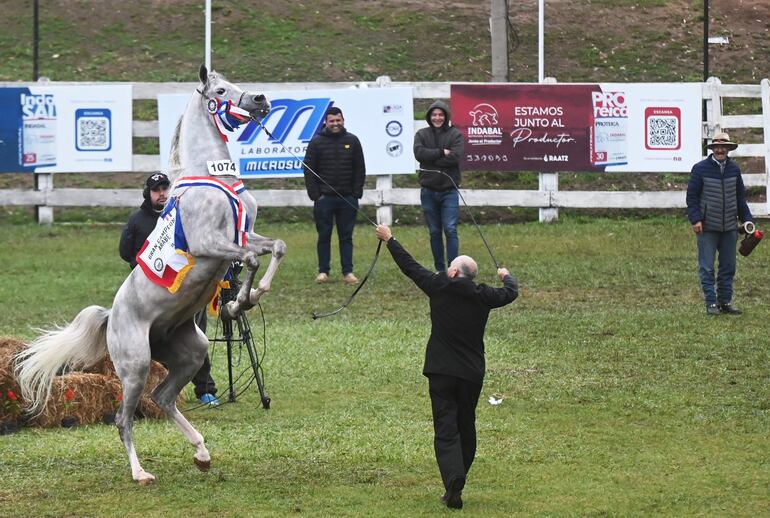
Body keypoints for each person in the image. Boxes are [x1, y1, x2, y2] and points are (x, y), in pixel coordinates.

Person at [375, 224, 518, 510]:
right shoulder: (483, 294)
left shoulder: (439, 285)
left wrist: (390, 239)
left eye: (449, 266)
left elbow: (410, 267)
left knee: (445, 427)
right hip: (471, 373)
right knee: (466, 425)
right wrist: (506, 276)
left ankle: (453, 479)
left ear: (453, 273)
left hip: (441, 370)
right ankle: (459, 476)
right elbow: (510, 293)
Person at [119, 172, 220, 405]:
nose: (162, 193)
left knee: (196, 339)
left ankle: (205, 388)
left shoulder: (181, 216)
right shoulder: (137, 220)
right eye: (157, 190)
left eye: (166, 188)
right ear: (149, 193)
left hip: (187, 292)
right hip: (153, 297)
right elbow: (127, 253)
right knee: (155, 342)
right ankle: (161, 388)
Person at [686, 132, 753, 316]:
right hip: (706, 226)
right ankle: (711, 303)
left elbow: (740, 198)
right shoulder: (699, 169)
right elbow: (691, 198)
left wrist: (747, 219)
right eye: (717, 146)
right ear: (712, 149)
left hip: (730, 227)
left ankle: (725, 302)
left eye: (724, 146)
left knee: (728, 267)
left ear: (729, 149)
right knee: (707, 267)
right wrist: (696, 219)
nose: (720, 149)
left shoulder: (734, 170)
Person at [303, 106, 366, 285]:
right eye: (332, 121)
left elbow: (360, 169)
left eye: (338, 120)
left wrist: (356, 193)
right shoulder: (316, 142)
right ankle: (323, 271)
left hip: (348, 199)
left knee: (346, 236)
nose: (335, 124)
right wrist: (316, 195)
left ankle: (348, 272)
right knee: (324, 236)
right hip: (324, 199)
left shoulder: (352, 141)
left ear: (343, 120)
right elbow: (308, 170)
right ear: (326, 122)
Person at [413, 100, 465, 272]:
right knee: (434, 232)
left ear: (446, 116)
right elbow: (419, 154)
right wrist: (442, 152)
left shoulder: (455, 134)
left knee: (450, 229)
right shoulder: (421, 134)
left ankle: (453, 268)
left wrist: (431, 158)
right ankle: (440, 269)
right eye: (434, 115)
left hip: (449, 190)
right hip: (428, 191)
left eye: (440, 114)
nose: (437, 118)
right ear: (429, 116)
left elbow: (455, 157)